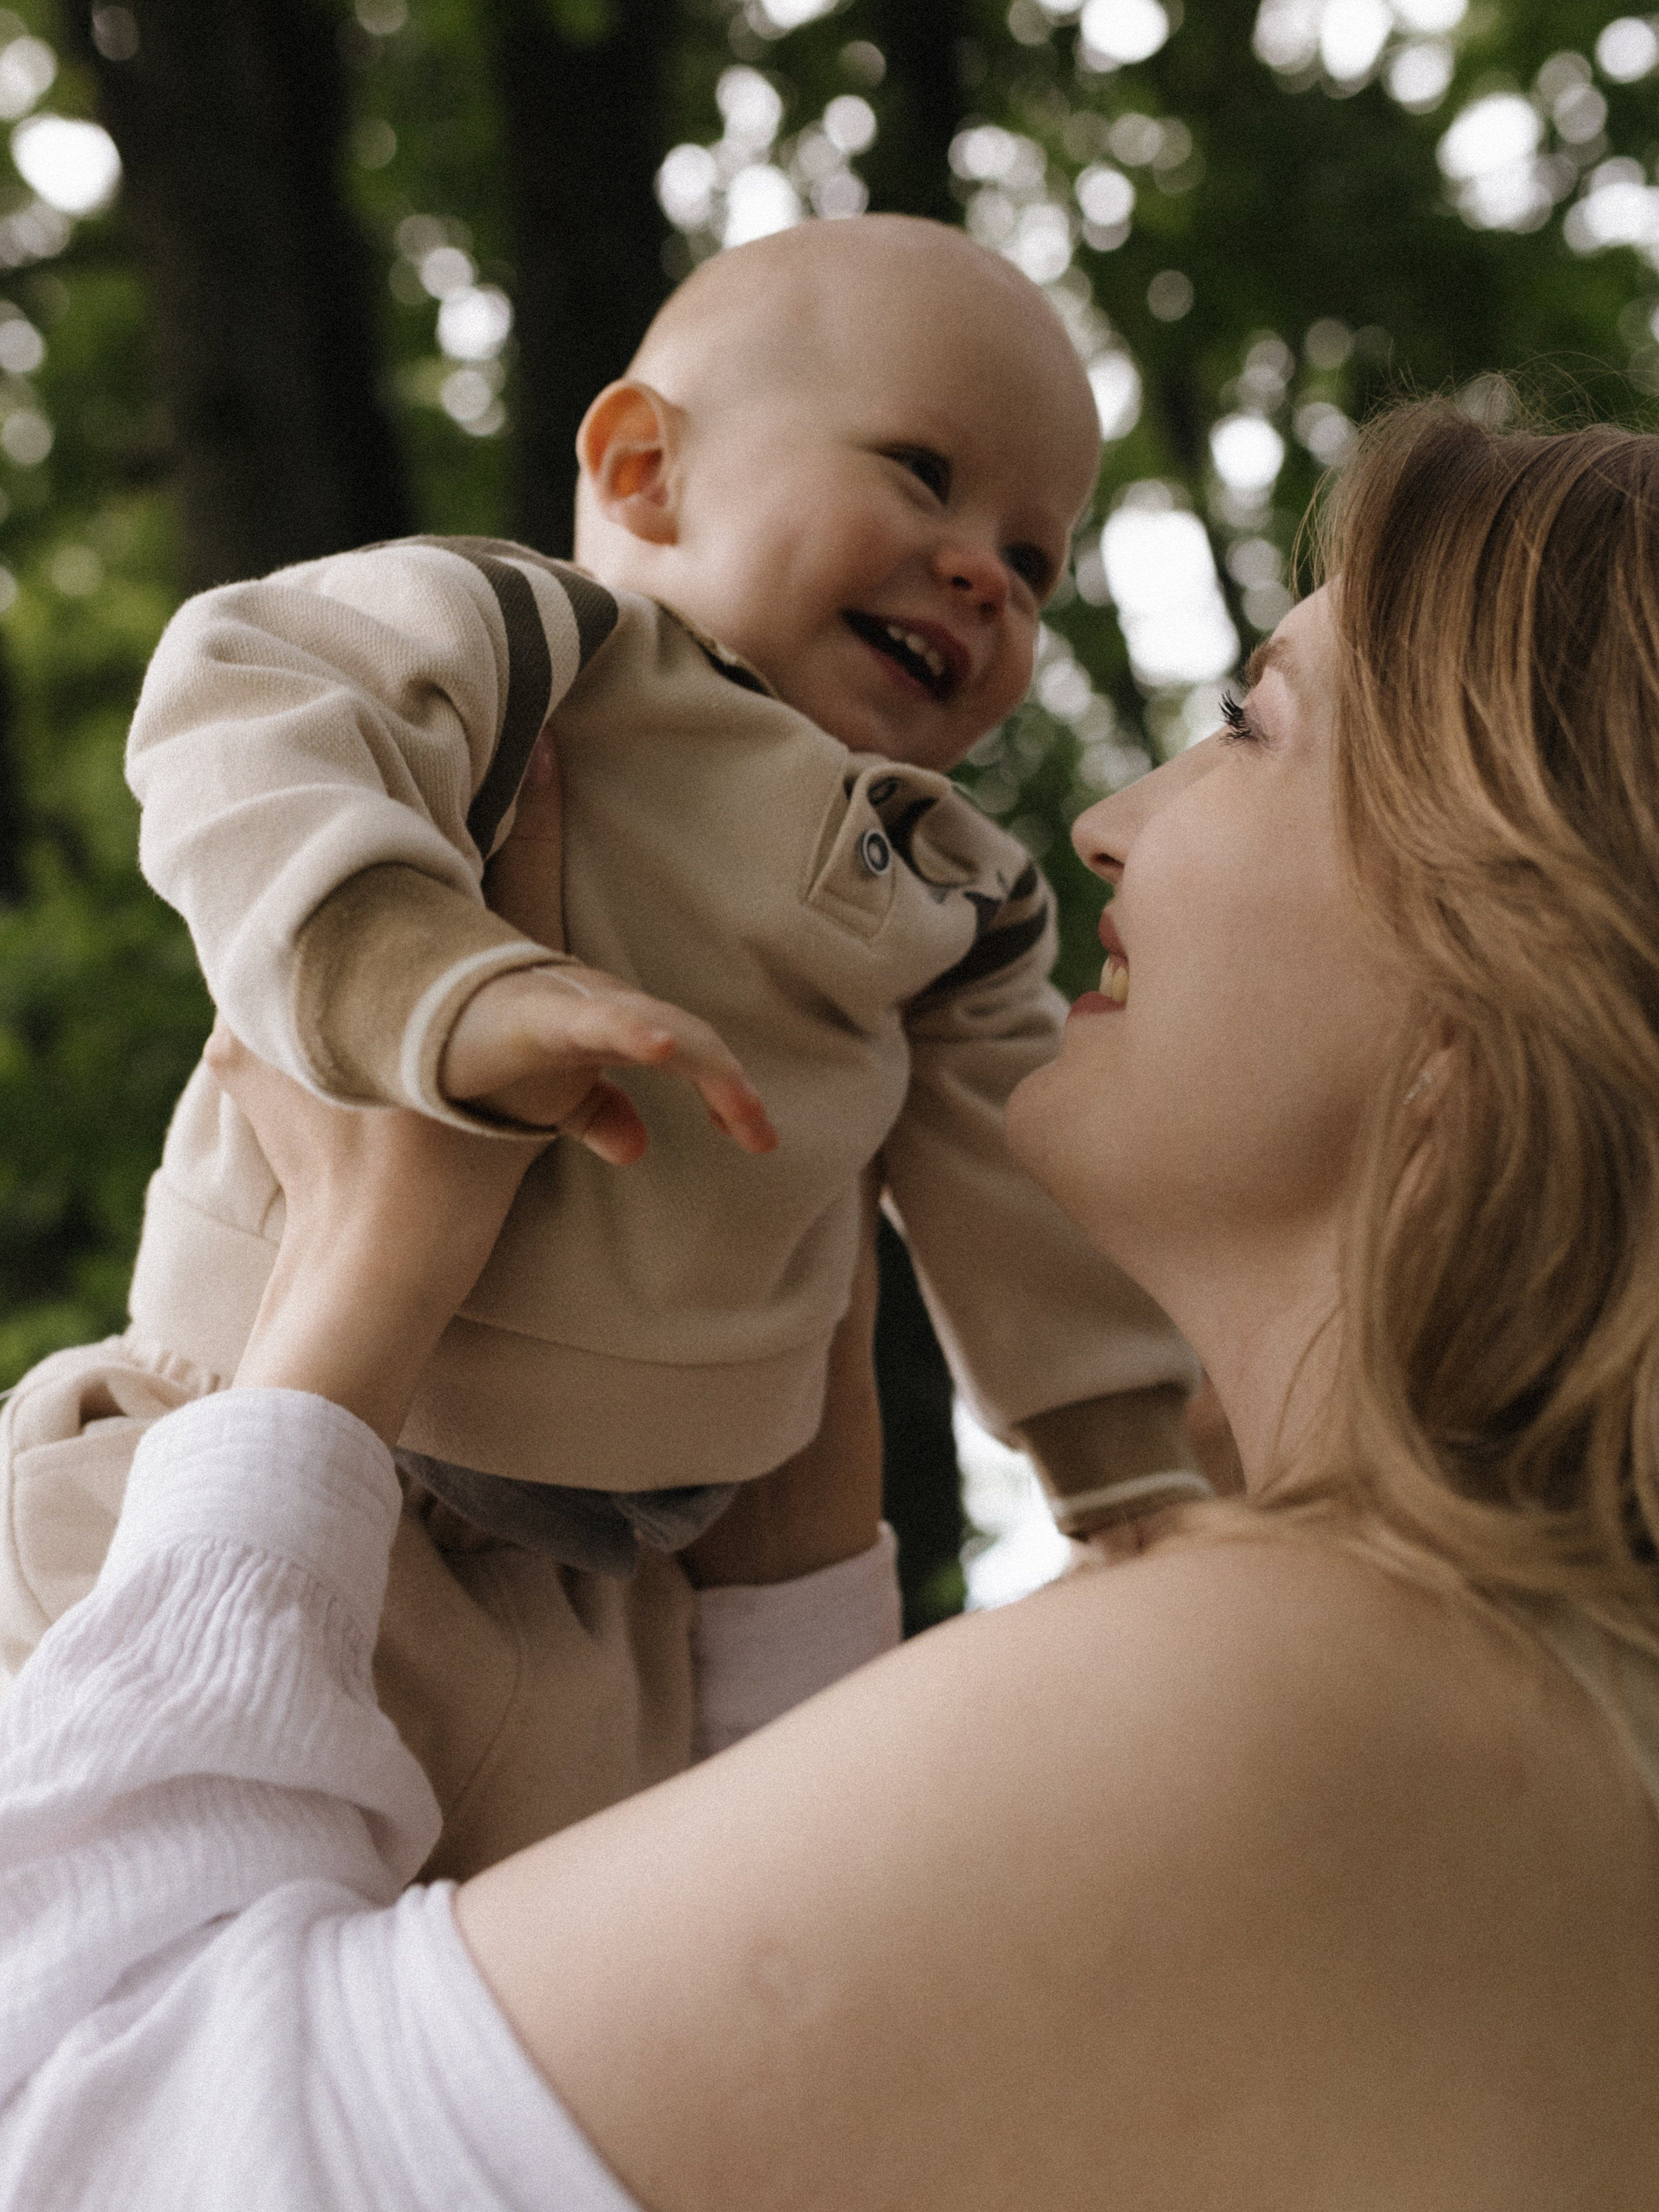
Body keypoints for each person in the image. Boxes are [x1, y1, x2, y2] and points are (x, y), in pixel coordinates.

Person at [11, 396, 1659, 2209]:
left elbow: (82, 2128)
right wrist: (790, 1588)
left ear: (1493, 990)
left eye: (1248, 727)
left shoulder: (1309, 1690)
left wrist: (349, 1298)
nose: (1105, 822)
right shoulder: (1545, 1740)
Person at [0, 216, 1201, 1876]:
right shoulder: (535, 649)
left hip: (621, 1617)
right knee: (119, 1897)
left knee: (506, 1996)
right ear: (644, 470)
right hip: (247, 1429)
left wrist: (1128, 1473)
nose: (982, 572)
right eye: (922, 475)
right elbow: (246, 692)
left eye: (1034, 560)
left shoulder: (956, 891)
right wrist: (432, 979)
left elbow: (1024, 1184)